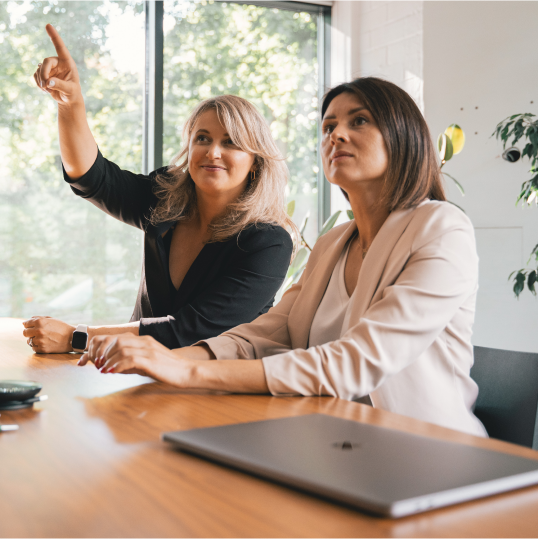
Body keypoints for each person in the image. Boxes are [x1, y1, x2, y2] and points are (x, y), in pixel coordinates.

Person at [79, 77, 487, 437]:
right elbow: (266, 334)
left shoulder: (442, 228)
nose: (336, 135)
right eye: (328, 126)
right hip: (330, 440)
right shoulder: (332, 244)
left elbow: (356, 362)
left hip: (426, 452)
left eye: (358, 121)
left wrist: (184, 370)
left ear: (403, 136)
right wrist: (162, 359)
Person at [22, 24, 295, 353]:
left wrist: (77, 337)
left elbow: (189, 331)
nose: (213, 152)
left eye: (232, 143)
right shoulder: (166, 197)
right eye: (202, 139)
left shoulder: (268, 243)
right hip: (137, 376)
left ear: (256, 161)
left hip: (216, 395)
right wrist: (70, 103)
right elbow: (92, 178)